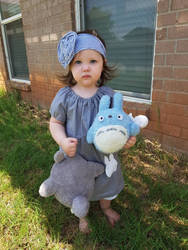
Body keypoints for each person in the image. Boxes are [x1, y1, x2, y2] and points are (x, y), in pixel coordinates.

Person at [49, 30, 136, 233]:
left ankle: (106, 207)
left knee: (108, 181)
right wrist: (62, 141)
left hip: (105, 156)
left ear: (103, 63)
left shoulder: (108, 95)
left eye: (92, 61)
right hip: (77, 157)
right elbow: (55, 122)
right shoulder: (65, 97)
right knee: (78, 187)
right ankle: (82, 215)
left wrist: (127, 140)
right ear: (69, 66)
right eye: (78, 62)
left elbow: (120, 123)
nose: (85, 67)